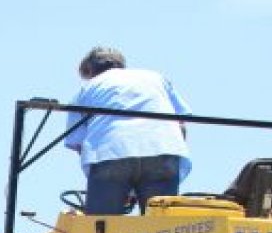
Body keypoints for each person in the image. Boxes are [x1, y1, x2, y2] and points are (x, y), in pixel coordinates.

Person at [64, 47, 191, 215]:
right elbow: (181, 123)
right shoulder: (155, 78)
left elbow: (78, 143)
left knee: (102, 225)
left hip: (109, 152)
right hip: (164, 149)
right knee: (161, 224)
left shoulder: (87, 88)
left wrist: (118, 182)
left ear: (90, 70)